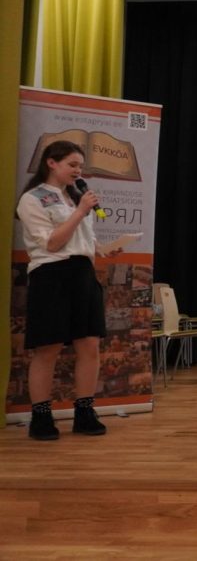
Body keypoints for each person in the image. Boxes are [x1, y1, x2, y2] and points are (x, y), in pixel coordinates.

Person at [15, 140, 120, 440]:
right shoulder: (32, 199)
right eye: (72, 164)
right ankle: (41, 417)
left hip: (82, 274)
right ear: (51, 162)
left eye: (80, 166)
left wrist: (102, 248)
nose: (78, 171)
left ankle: (84, 412)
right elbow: (51, 243)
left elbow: (80, 240)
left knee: (89, 345)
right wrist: (81, 211)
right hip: (51, 275)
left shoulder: (74, 198)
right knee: (48, 348)